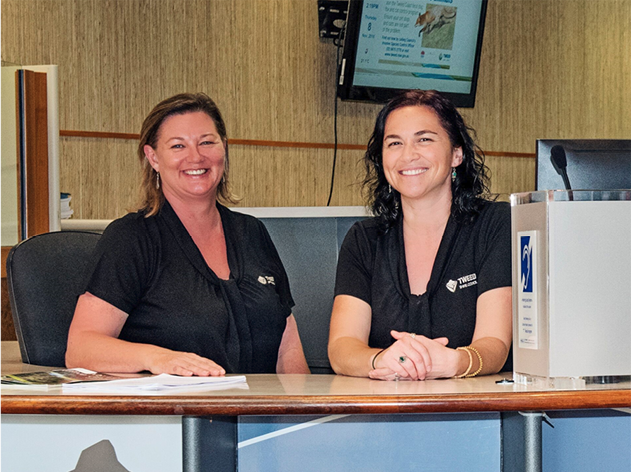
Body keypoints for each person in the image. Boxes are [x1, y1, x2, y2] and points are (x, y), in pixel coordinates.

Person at [66, 93, 309, 376]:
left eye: (207, 142)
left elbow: (287, 346)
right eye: (178, 146)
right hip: (174, 416)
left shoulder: (252, 232)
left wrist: (304, 411)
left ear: (224, 148)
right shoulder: (131, 238)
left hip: (260, 415)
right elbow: (81, 348)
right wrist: (157, 359)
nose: (196, 156)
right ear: (153, 157)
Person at [328, 90, 511, 381]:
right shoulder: (364, 239)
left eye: (424, 139)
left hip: (476, 412)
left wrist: (455, 362)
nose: (408, 155)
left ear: (456, 153)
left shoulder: (494, 224)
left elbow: (496, 345)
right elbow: (341, 349)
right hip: (385, 413)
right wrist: (381, 359)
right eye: (395, 143)